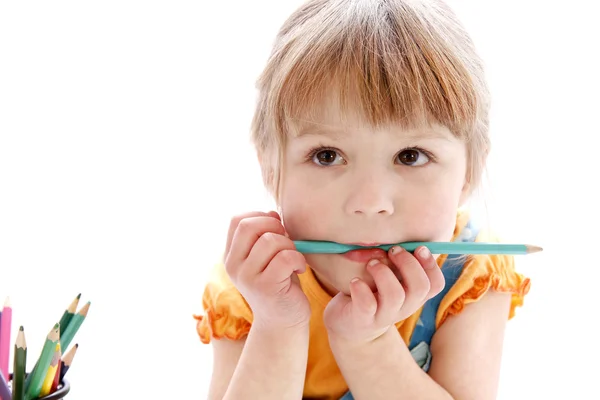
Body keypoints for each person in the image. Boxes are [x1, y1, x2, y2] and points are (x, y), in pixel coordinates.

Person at [194, 1, 531, 399]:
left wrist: (367, 344)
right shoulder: (256, 286)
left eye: (411, 156)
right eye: (327, 155)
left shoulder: (471, 273)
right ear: (271, 169)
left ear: (468, 172)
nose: (370, 202)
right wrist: (277, 325)